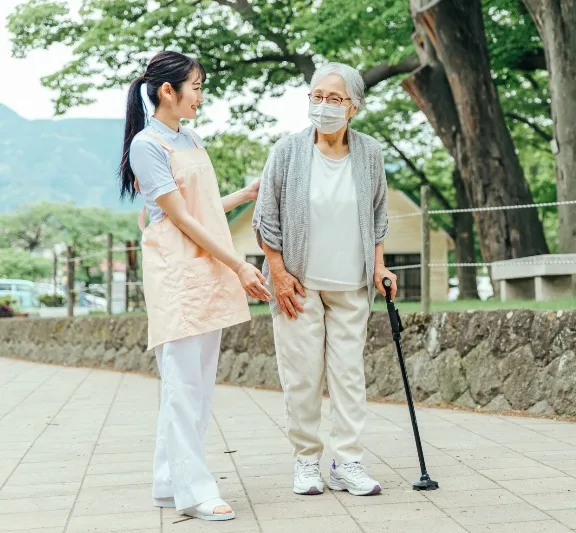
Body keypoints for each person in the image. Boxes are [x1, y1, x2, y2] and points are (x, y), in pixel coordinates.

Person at [119, 51, 271, 521]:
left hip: (206, 271)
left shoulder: (189, 138)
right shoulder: (148, 145)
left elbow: (199, 207)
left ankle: (169, 481)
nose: (201, 97)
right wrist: (241, 267)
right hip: (180, 274)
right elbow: (180, 219)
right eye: (197, 87)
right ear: (169, 91)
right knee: (184, 386)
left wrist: (244, 196)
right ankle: (195, 489)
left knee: (197, 385)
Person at [252, 62, 396, 497]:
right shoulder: (288, 151)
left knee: (349, 375)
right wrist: (277, 273)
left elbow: (378, 215)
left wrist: (379, 267)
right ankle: (307, 461)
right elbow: (266, 216)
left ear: (353, 107)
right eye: (318, 97)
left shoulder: (369, 153)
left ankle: (348, 462)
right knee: (301, 375)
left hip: (351, 283)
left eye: (335, 99)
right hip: (298, 283)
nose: (325, 106)